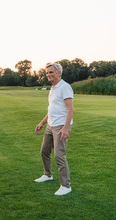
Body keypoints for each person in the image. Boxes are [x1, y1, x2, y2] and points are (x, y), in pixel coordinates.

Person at [35, 63, 74, 196]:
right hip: (50, 125)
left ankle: (66, 185)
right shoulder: (53, 88)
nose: (49, 75)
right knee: (44, 151)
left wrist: (65, 128)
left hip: (60, 126)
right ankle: (47, 174)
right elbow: (52, 109)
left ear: (58, 73)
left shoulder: (65, 87)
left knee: (59, 155)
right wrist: (41, 123)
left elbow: (70, 109)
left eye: (51, 72)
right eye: (47, 73)